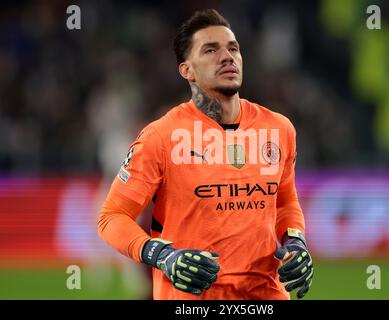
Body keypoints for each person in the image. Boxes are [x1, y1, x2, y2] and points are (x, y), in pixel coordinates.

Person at [97, 8, 313, 300]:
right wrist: (163, 256)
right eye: (210, 50)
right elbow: (112, 217)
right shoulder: (161, 137)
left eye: (233, 48)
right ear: (187, 70)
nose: (227, 56)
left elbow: (285, 201)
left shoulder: (278, 128)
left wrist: (296, 241)